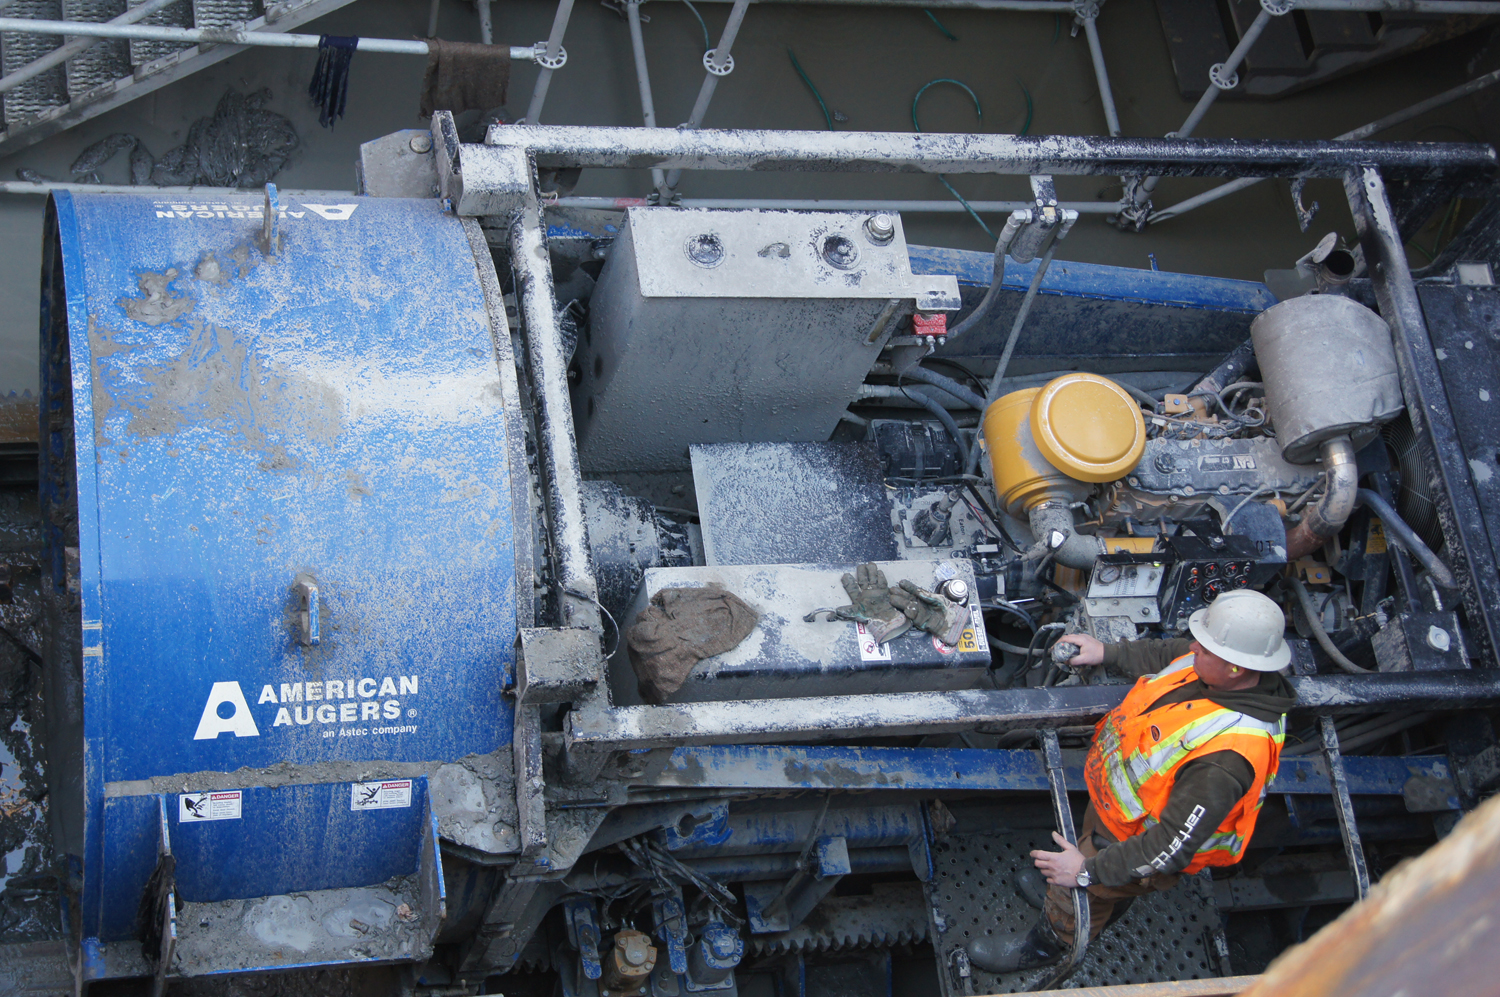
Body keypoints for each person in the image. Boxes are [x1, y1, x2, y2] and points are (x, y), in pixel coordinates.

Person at [967, 588, 1297, 974]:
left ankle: (1049, 944)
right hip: (1119, 809)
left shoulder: (1225, 759)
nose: (1194, 647)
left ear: (1236, 667)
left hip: (1138, 843)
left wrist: (1085, 872)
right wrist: (1108, 652)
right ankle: (1091, 889)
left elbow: (1166, 849)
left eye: (1205, 648)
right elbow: (1171, 653)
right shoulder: (1219, 670)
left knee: (1082, 888)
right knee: (1092, 863)